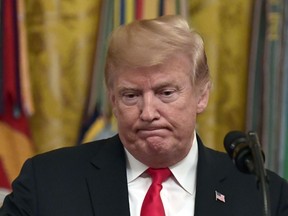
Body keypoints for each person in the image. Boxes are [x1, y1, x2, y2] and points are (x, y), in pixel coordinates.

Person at [1, 15, 288, 216]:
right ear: (113, 99)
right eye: (131, 95)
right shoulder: (48, 183)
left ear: (202, 95)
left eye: (166, 93)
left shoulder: (264, 196)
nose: (148, 113)